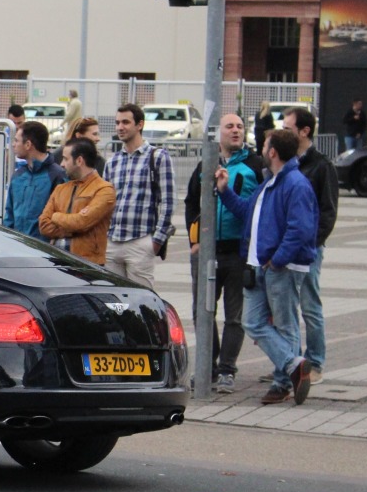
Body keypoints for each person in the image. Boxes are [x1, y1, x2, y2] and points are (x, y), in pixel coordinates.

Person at [217, 128, 316, 406]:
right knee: (253, 321)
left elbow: (300, 229)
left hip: (279, 267)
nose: (260, 148)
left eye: (264, 145)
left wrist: (279, 259)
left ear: (272, 152)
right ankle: (294, 366)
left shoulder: (295, 183)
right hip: (259, 265)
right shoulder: (270, 183)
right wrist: (224, 191)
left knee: (285, 324)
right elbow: (248, 210)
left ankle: (283, 381)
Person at [183, 113, 263, 394]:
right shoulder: (207, 163)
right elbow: (191, 202)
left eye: (240, 127)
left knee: (234, 315)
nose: (236, 131)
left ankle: (227, 369)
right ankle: (209, 366)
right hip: (206, 252)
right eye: (230, 126)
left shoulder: (254, 165)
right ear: (219, 134)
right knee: (201, 311)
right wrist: (194, 241)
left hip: (237, 252)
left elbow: (257, 208)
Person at [284, 106, 338, 385]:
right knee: (285, 307)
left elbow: (328, 212)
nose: (284, 132)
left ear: (304, 131)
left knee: (309, 306)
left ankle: (315, 361)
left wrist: (312, 245)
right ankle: (292, 362)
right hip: (284, 248)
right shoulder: (285, 161)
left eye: (288, 128)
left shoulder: (321, 166)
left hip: (308, 250)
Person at [102, 103, 175, 289]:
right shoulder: (113, 162)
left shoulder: (158, 157)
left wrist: (156, 242)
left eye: (126, 122)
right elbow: (104, 202)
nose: (120, 127)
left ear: (139, 125)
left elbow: (167, 202)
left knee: (142, 303)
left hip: (140, 240)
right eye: (117, 122)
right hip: (112, 241)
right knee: (113, 303)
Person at [38, 137, 115, 264]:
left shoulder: (104, 190)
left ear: (79, 160)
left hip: (88, 264)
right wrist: (73, 227)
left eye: (66, 159)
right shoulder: (61, 189)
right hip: (57, 261)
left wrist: (56, 216)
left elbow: (81, 222)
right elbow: (44, 225)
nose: (62, 164)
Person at [2, 120, 65, 240]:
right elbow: (9, 215)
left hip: (44, 251)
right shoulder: (18, 176)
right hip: (16, 247)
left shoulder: (57, 176)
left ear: (28, 144)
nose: (13, 145)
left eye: (16, 140)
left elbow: (61, 217)